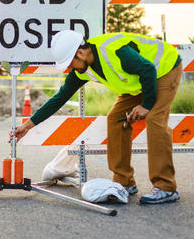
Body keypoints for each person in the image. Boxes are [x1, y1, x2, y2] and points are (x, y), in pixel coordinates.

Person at [10, 30, 183, 204]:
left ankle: (166, 187)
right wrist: (28, 125)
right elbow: (59, 98)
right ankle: (124, 182)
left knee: (154, 119)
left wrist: (146, 104)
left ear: (80, 52)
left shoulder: (115, 51)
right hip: (140, 81)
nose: (70, 69)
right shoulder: (81, 69)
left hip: (163, 69)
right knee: (115, 118)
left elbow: (147, 69)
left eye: (70, 64)